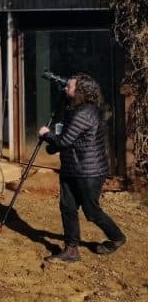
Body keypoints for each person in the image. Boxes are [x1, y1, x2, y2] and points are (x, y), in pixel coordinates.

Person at [38, 73, 126, 263]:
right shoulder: (76, 109)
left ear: (80, 91)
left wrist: (46, 135)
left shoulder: (85, 112)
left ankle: (117, 238)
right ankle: (71, 250)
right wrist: (53, 144)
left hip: (88, 172)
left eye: (68, 87)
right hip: (72, 167)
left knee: (91, 212)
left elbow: (65, 140)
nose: (65, 88)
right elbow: (70, 140)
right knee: (67, 208)